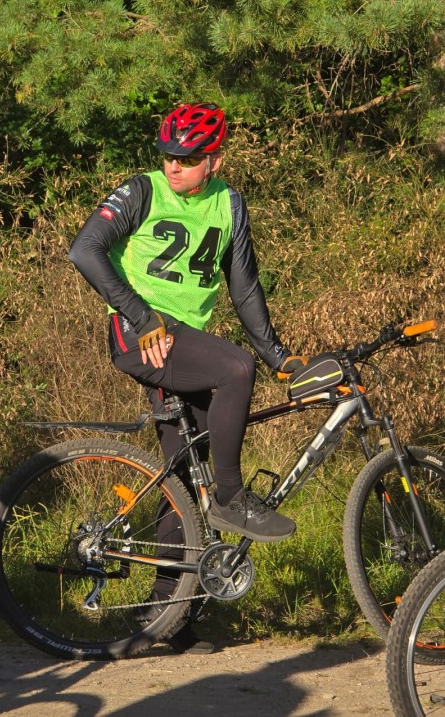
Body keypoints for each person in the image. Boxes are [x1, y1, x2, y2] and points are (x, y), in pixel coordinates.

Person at [69, 102, 305, 653]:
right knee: (235, 368)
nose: (174, 165)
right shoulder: (143, 190)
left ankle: (167, 617)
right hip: (143, 334)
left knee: (181, 474)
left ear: (214, 159)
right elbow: (85, 250)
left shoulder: (229, 204)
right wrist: (140, 315)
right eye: (168, 155)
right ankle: (232, 497)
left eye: (188, 158)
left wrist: (279, 357)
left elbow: (244, 288)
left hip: (183, 341)